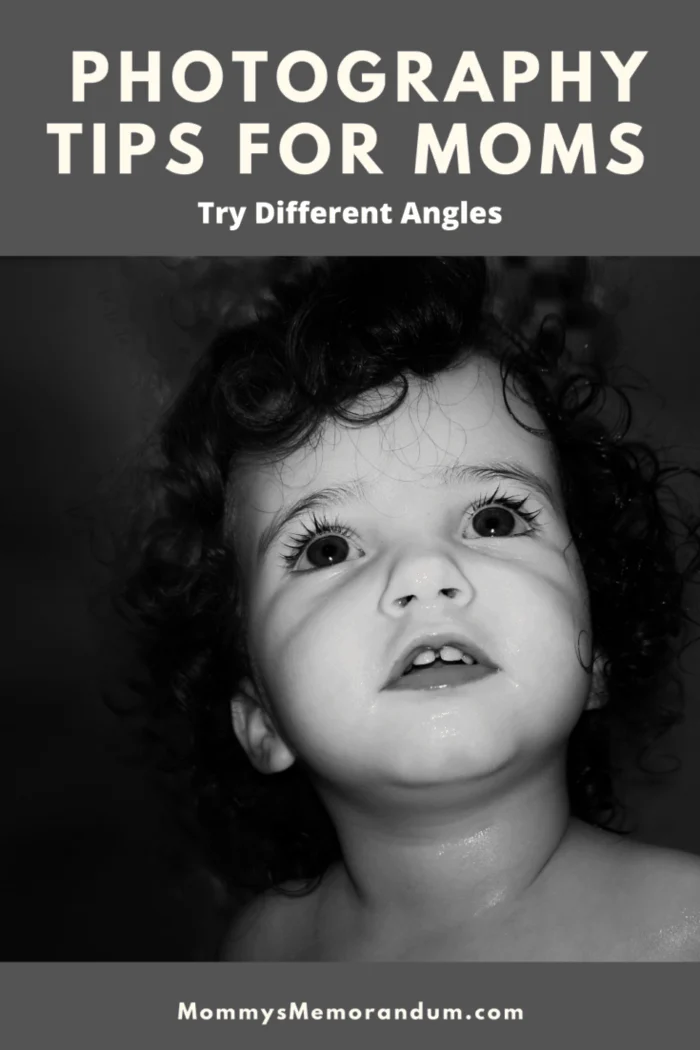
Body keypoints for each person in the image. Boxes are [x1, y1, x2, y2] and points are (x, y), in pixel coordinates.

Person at [124, 257, 700, 961]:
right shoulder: (263, 952)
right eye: (328, 548)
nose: (425, 572)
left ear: (599, 652)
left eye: (494, 520)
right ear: (261, 719)